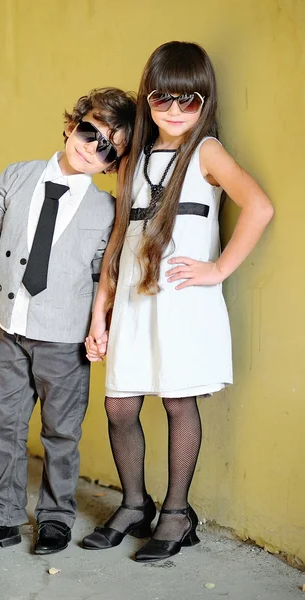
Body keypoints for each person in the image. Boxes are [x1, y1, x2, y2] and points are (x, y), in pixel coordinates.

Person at [82, 42, 274, 563]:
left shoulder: (206, 151)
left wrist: (217, 269)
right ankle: (133, 504)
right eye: (162, 98)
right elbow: (119, 239)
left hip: (184, 304)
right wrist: (99, 314)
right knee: (120, 405)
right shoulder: (134, 159)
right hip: (132, 300)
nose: (174, 111)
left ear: (203, 101)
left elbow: (258, 206)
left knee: (175, 401)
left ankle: (175, 513)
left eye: (187, 100)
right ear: (148, 99)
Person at [0, 87, 136, 556]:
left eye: (108, 147)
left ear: (113, 164)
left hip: (65, 337)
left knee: (62, 431)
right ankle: (2, 517)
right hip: (10, 323)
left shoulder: (106, 210)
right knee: (5, 423)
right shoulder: (18, 177)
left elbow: (102, 278)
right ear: (73, 124)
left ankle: (55, 518)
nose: (93, 146)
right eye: (90, 131)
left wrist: (100, 326)